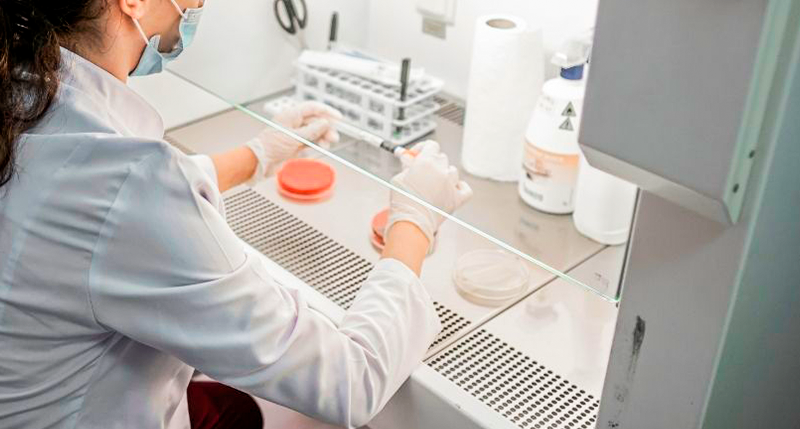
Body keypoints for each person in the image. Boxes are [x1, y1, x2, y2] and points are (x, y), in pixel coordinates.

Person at [0, 1, 473, 429]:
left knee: (235, 410)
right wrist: (415, 221)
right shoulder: (129, 185)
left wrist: (257, 155)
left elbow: (104, 203)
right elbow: (349, 381)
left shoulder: (25, 91)